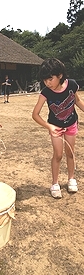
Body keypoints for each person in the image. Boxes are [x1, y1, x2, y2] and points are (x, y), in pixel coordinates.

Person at [32, 58, 84, 199]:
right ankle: (55, 183)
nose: (47, 83)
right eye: (45, 80)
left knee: (70, 152)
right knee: (58, 154)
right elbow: (35, 114)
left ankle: (71, 178)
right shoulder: (46, 92)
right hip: (56, 127)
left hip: (71, 124)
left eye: (50, 79)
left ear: (60, 75)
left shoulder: (72, 85)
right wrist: (49, 126)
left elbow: (77, 101)